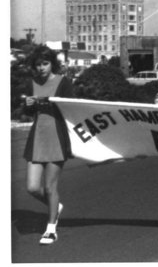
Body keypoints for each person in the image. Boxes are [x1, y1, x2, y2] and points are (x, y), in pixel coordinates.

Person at [22, 45, 74, 245]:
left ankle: (51, 229)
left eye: (45, 63)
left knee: (50, 187)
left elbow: (72, 107)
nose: (42, 68)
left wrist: (50, 101)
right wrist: (28, 106)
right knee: (33, 187)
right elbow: (27, 113)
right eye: (38, 65)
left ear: (52, 63)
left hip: (57, 137)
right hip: (37, 138)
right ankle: (55, 207)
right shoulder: (32, 83)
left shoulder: (63, 82)